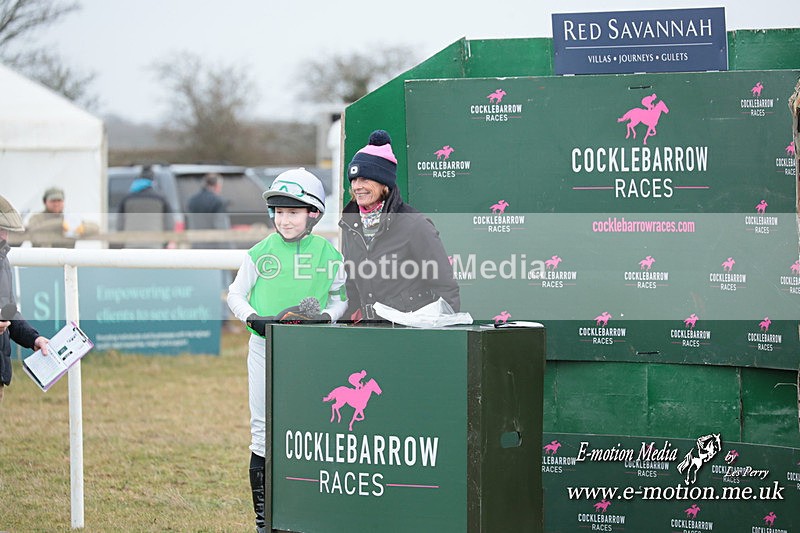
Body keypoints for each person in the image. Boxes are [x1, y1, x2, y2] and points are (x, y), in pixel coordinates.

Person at [226, 168, 346, 532]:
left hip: (311, 353)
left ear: (313, 214)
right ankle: (265, 522)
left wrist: (327, 317)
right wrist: (253, 319)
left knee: (309, 429)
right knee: (262, 431)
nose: (285, 220)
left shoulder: (328, 253)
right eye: (279, 212)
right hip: (265, 350)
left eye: (293, 212)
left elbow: (342, 298)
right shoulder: (260, 252)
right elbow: (234, 294)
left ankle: (307, 513)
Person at [340, 129, 460, 322]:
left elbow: (446, 287)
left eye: (365, 179)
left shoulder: (415, 224)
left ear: (384, 183)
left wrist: (440, 335)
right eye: (353, 180)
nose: (357, 186)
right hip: (370, 331)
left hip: (411, 332)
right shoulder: (350, 224)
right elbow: (352, 287)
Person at [0, 194, 50, 402]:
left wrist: (33, 338)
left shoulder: (4, 261)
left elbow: (9, 312)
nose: (4, 237)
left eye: (6, 231)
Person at [116, 165, 173, 248]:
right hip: (155, 246)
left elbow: (120, 226)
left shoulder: (127, 199)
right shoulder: (161, 199)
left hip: (131, 245)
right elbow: (169, 224)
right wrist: (165, 243)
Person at [26, 187, 98, 247]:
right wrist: (60, 224)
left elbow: (95, 228)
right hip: (42, 260)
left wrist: (82, 228)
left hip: (66, 260)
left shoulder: (69, 219)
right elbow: (32, 228)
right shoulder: (37, 218)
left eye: (59, 201)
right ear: (45, 202)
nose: (56, 204)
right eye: (53, 201)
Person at [186, 173, 232, 249]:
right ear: (217, 186)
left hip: (196, 245)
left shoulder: (192, 200)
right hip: (214, 248)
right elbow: (221, 227)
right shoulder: (218, 202)